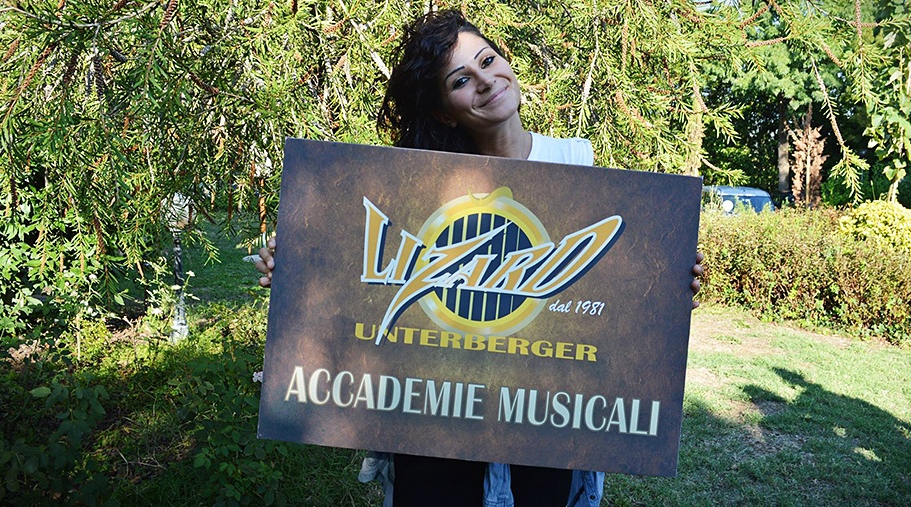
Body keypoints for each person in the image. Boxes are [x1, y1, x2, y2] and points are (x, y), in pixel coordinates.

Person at [255, 9, 704, 507]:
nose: (486, 80)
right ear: (445, 112)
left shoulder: (576, 162)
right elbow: (356, 278)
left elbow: (607, 289)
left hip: (545, 409)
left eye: (488, 61)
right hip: (436, 408)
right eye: (462, 80)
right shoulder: (417, 184)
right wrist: (297, 268)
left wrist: (664, 286)